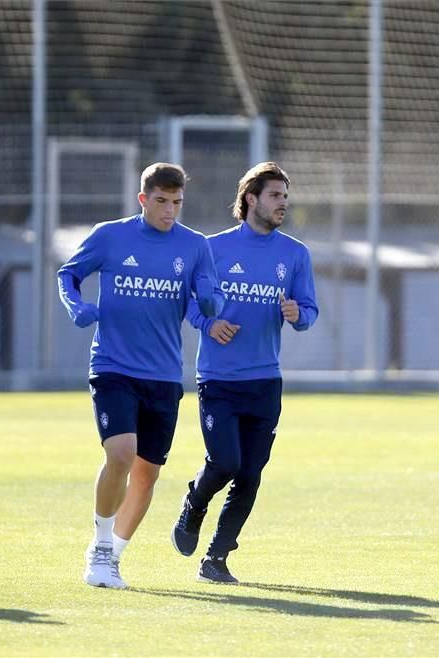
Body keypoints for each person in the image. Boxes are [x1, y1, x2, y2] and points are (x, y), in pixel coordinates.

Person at [58, 162, 225, 589]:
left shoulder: (195, 246)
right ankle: (97, 548)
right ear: (143, 199)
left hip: (165, 376)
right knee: (120, 455)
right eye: (162, 202)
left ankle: (113, 556)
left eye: (177, 203)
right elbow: (69, 274)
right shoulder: (111, 236)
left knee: (146, 474)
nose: (170, 211)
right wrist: (76, 306)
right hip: (113, 366)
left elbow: (210, 293)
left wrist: (210, 300)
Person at [171, 162, 318, 584]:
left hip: (265, 381)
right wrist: (208, 324)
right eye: (275, 196)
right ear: (251, 199)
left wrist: (297, 314)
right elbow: (189, 303)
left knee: (250, 475)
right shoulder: (212, 249)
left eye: (285, 197)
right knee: (224, 463)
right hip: (218, 379)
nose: (282, 204)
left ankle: (215, 559)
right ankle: (194, 503)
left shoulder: (294, 254)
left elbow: (309, 311)